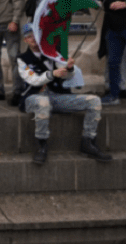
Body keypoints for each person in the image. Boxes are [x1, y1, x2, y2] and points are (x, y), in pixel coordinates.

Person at [18, 25, 109, 164]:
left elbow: (68, 76)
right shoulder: (22, 59)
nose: (33, 39)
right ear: (25, 40)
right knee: (43, 103)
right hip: (34, 97)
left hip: (57, 96)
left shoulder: (53, 53)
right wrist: (52, 74)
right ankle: (42, 145)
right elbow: (33, 79)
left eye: (36, 34)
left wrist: (70, 68)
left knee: (94, 100)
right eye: (29, 36)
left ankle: (88, 141)